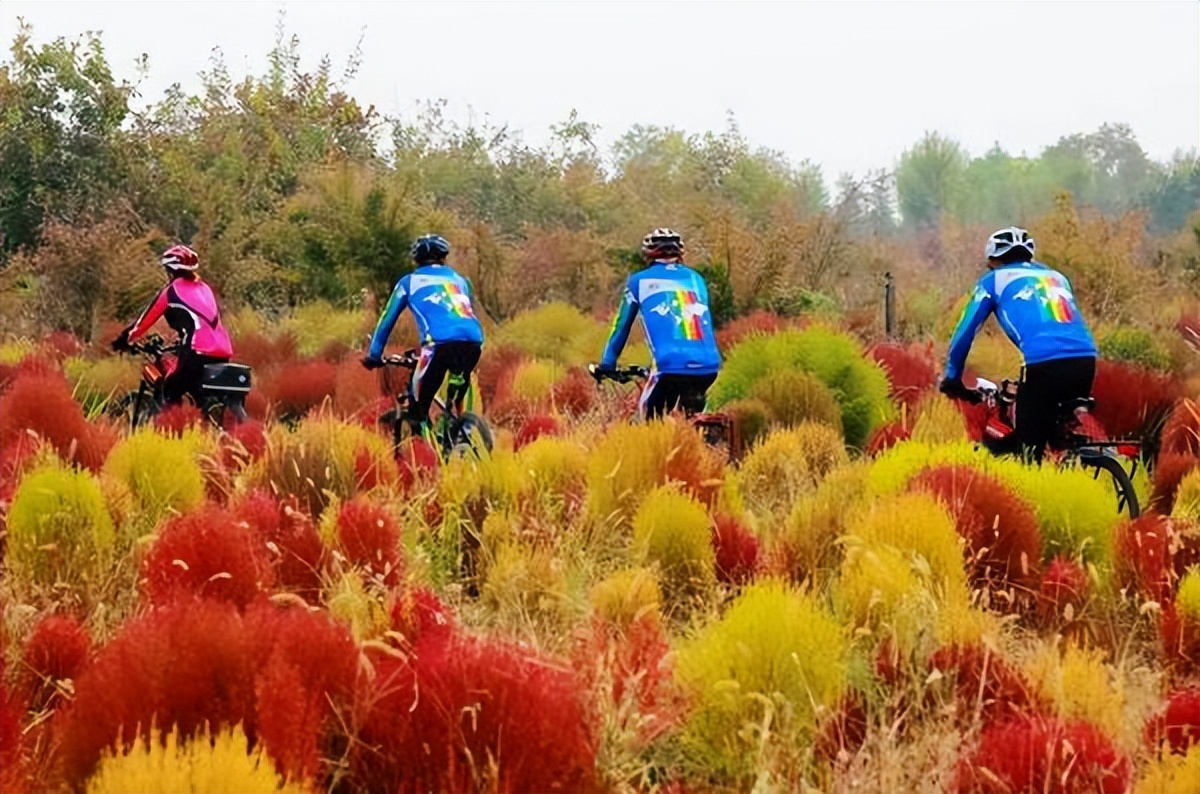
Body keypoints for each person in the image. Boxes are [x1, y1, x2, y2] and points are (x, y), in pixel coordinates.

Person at [939, 226, 1097, 460]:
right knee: (1052, 431)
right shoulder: (1056, 277)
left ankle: (1035, 483)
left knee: (1028, 448)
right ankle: (1070, 463)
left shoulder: (993, 281)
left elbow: (966, 331)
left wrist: (952, 376)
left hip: (1044, 365)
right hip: (1086, 361)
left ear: (993, 260)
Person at [596, 227, 722, 419]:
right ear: (679, 252)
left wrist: (608, 362)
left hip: (669, 365)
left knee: (648, 420)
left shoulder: (639, 282)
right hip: (709, 364)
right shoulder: (696, 279)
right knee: (691, 419)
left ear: (648, 253)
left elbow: (621, 326)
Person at [361, 234, 484, 428]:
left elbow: (387, 320)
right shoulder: (460, 281)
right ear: (443, 258)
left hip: (437, 345)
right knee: (458, 382)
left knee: (419, 407)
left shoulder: (409, 282)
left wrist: (374, 355)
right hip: (474, 340)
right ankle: (462, 430)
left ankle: (422, 445)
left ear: (416, 260)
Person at [112, 244, 234, 406]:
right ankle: (207, 418)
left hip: (197, 350)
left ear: (170, 270)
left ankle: (171, 427)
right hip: (223, 349)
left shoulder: (171, 291)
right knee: (197, 392)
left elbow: (143, 322)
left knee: (171, 389)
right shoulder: (205, 289)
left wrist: (123, 340)